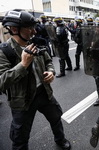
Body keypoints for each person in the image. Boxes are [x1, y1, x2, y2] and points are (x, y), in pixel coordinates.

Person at [0, 10, 71, 149]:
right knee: (20, 137)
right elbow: (1, 82)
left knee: (56, 118)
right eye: (30, 28)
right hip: (23, 100)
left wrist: (51, 72)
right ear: (14, 29)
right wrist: (23, 65)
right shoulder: (4, 51)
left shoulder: (34, 43)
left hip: (44, 92)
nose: (34, 32)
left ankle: (60, 139)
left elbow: (48, 60)